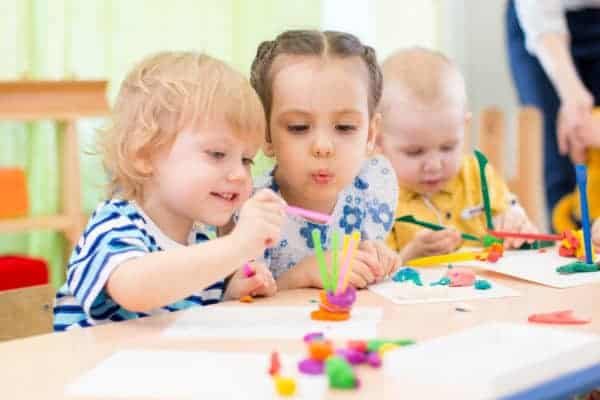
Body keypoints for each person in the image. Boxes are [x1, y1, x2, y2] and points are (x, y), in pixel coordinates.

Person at [54, 52, 285, 331]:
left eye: (246, 160)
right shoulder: (116, 223)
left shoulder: (200, 241)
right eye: (217, 154)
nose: (239, 173)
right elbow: (136, 290)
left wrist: (229, 293)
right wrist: (237, 246)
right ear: (144, 154)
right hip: (88, 370)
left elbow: (181, 314)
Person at [249, 30, 399, 290]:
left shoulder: (371, 191)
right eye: (298, 127)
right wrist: (304, 275)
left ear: (371, 134)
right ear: (265, 132)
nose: (323, 147)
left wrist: (378, 259)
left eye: (344, 127)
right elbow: (230, 305)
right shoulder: (251, 213)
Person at [379, 48, 538, 260]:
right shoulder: (376, 196)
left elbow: (513, 216)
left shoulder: (476, 174)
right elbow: (372, 278)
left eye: (448, 147)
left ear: (464, 128)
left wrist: (516, 223)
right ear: (378, 140)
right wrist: (409, 256)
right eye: (415, 152)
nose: (435, 165)